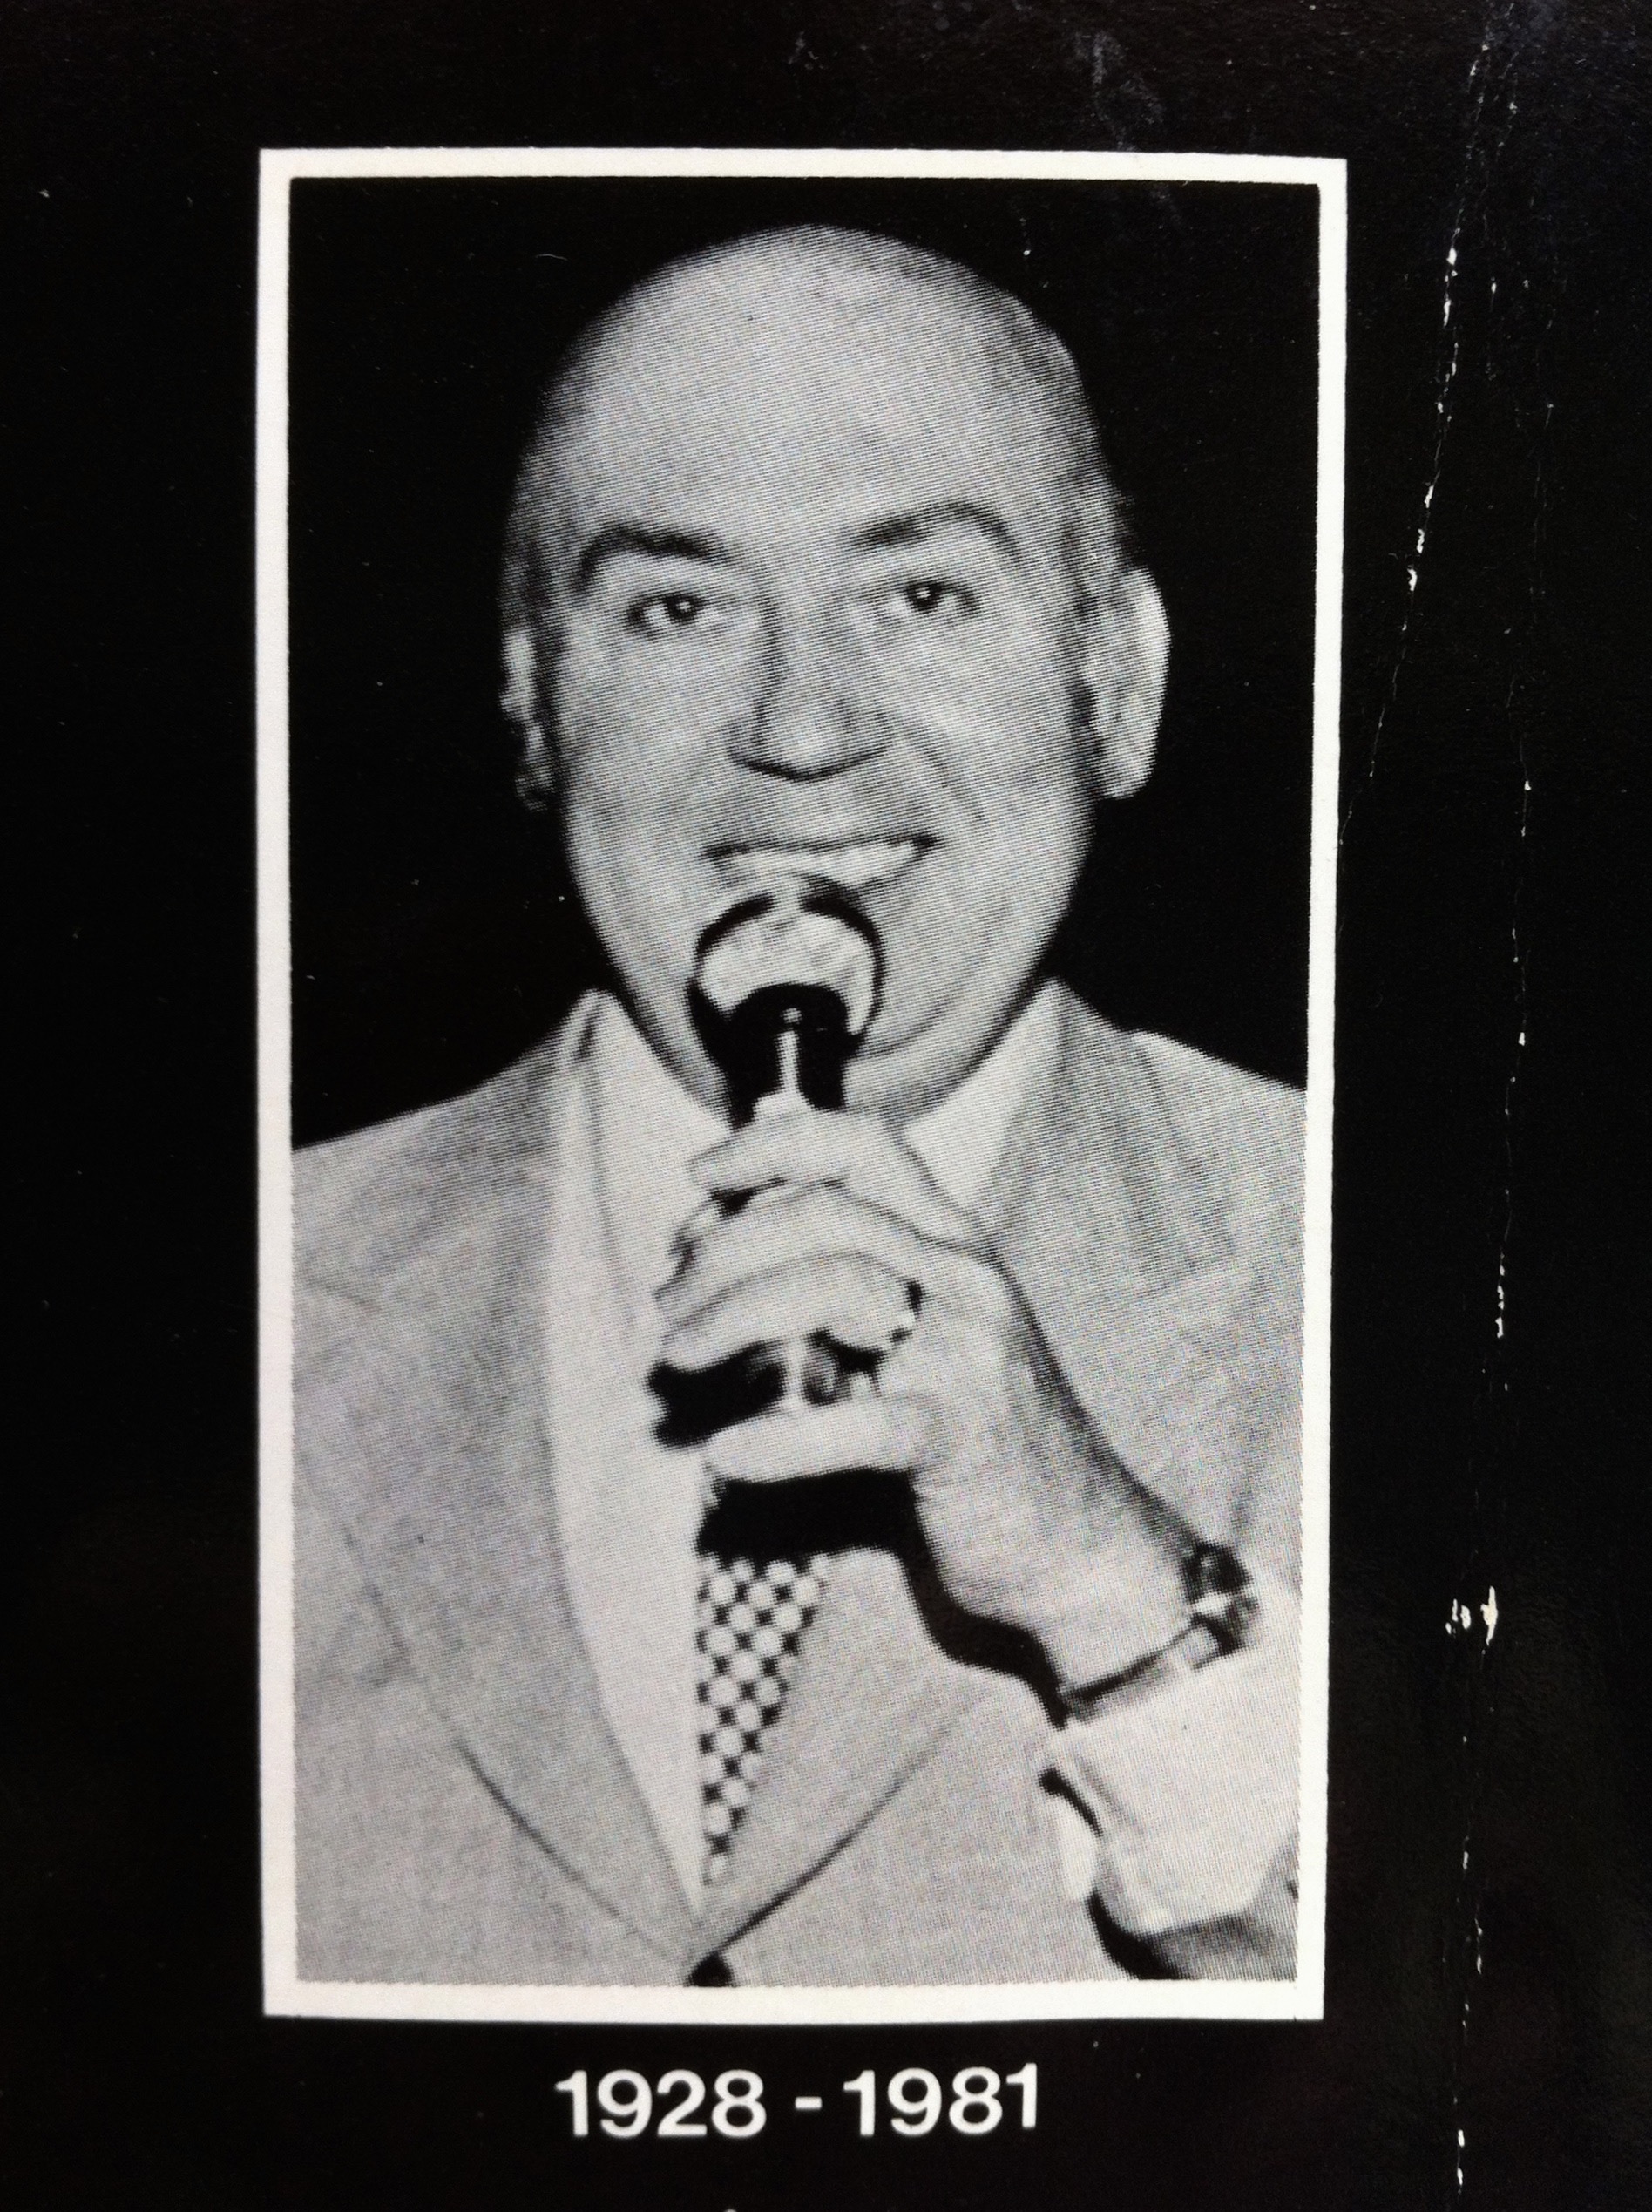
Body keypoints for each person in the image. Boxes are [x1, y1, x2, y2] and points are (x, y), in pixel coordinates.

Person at [293, 224, 1304, 1988]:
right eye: (679, 608)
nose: (803, 728)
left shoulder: (1387, 1262)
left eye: (922, 597)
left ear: (1117, 684)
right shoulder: (252, 1291)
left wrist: (1120, 1595)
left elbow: (1511, 2050)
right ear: (532, 704)